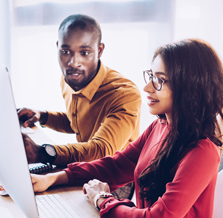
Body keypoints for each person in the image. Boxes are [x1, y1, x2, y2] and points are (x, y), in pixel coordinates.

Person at [29, 38, 223, 218]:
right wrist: (56, 178)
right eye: (151, 76)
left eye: (160, 81)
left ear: (189, 87)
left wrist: (102, 200)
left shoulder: (202, 152)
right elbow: (116, 166)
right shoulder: (161, 126)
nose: (147, 88)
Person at [12, 14, 141, 199]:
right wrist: (43, 116)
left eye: (84, 52)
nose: (74, 62)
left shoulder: (124, 94)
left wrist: (44, 152)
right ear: (58, 48)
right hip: (84, 169)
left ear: (100, 50)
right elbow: (78, 121)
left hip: (113, 183)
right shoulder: (72, 77)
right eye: (66, 52)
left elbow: (102, 150)